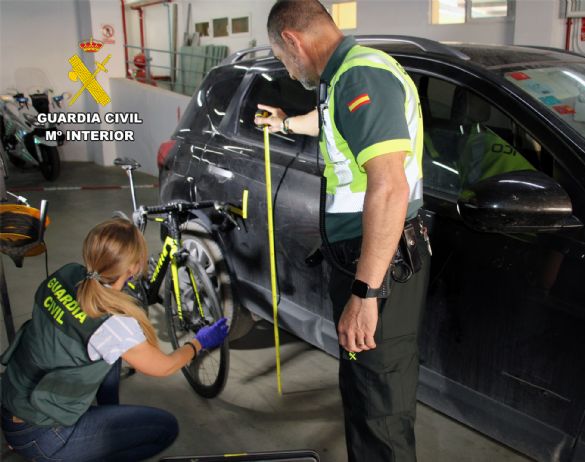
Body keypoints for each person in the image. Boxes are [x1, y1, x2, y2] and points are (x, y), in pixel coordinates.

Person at [254, 1, 429, 460]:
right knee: (365, 390)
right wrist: (286, 123)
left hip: (378, 258)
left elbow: (389, 186)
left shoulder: (360, 77)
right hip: (365, 252)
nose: (287, 71)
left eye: (281, 57)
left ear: (293, 40)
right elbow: (336, 124)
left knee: (379, 406)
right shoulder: (343, 75)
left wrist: (367, 293)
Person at [0, 218, 229, 462]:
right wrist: (198, 343)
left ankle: (106, 419)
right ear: (131, 269)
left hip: (12, 403)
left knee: (112, 357)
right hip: (43, 433)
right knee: (164, 428)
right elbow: (165, 366)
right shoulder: (114, 325)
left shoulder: (66, 274)